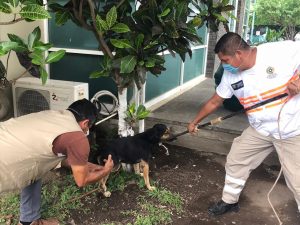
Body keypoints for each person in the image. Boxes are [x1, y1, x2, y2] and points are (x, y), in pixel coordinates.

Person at [188, 32, 300, 216]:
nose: (223, 65)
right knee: (236, 160)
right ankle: (229, 202)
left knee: (297, 179)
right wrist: (194, 122)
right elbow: (216, 101)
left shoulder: (281, 51)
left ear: (239, 54)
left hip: (291, 130)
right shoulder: (230, 75)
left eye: (225, 60)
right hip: (260, 129)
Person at [0, 98, 114, 225]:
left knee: (37, 168)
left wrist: (89, 166)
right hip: (4, 161)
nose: (87, 132)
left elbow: (55, 158)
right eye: (89, 128)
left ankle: (29, 220)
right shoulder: (77, 138)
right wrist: (106, 170)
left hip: (6, 138)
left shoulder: (54, 116)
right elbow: (82, 181)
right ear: (86, 123)